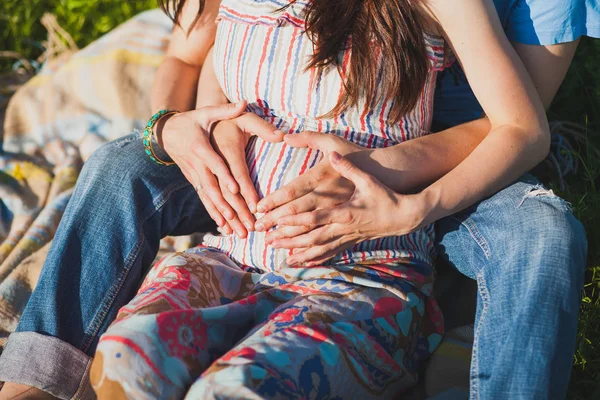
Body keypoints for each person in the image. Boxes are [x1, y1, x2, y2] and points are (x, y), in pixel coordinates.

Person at [0, 1, 587, 400]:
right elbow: (190, 59)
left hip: (373, 255)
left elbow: (516, 126)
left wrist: (414, 203)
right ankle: (35, 379)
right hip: (233, 250)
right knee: (126, 360)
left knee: (232, 391)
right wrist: (176, 125)